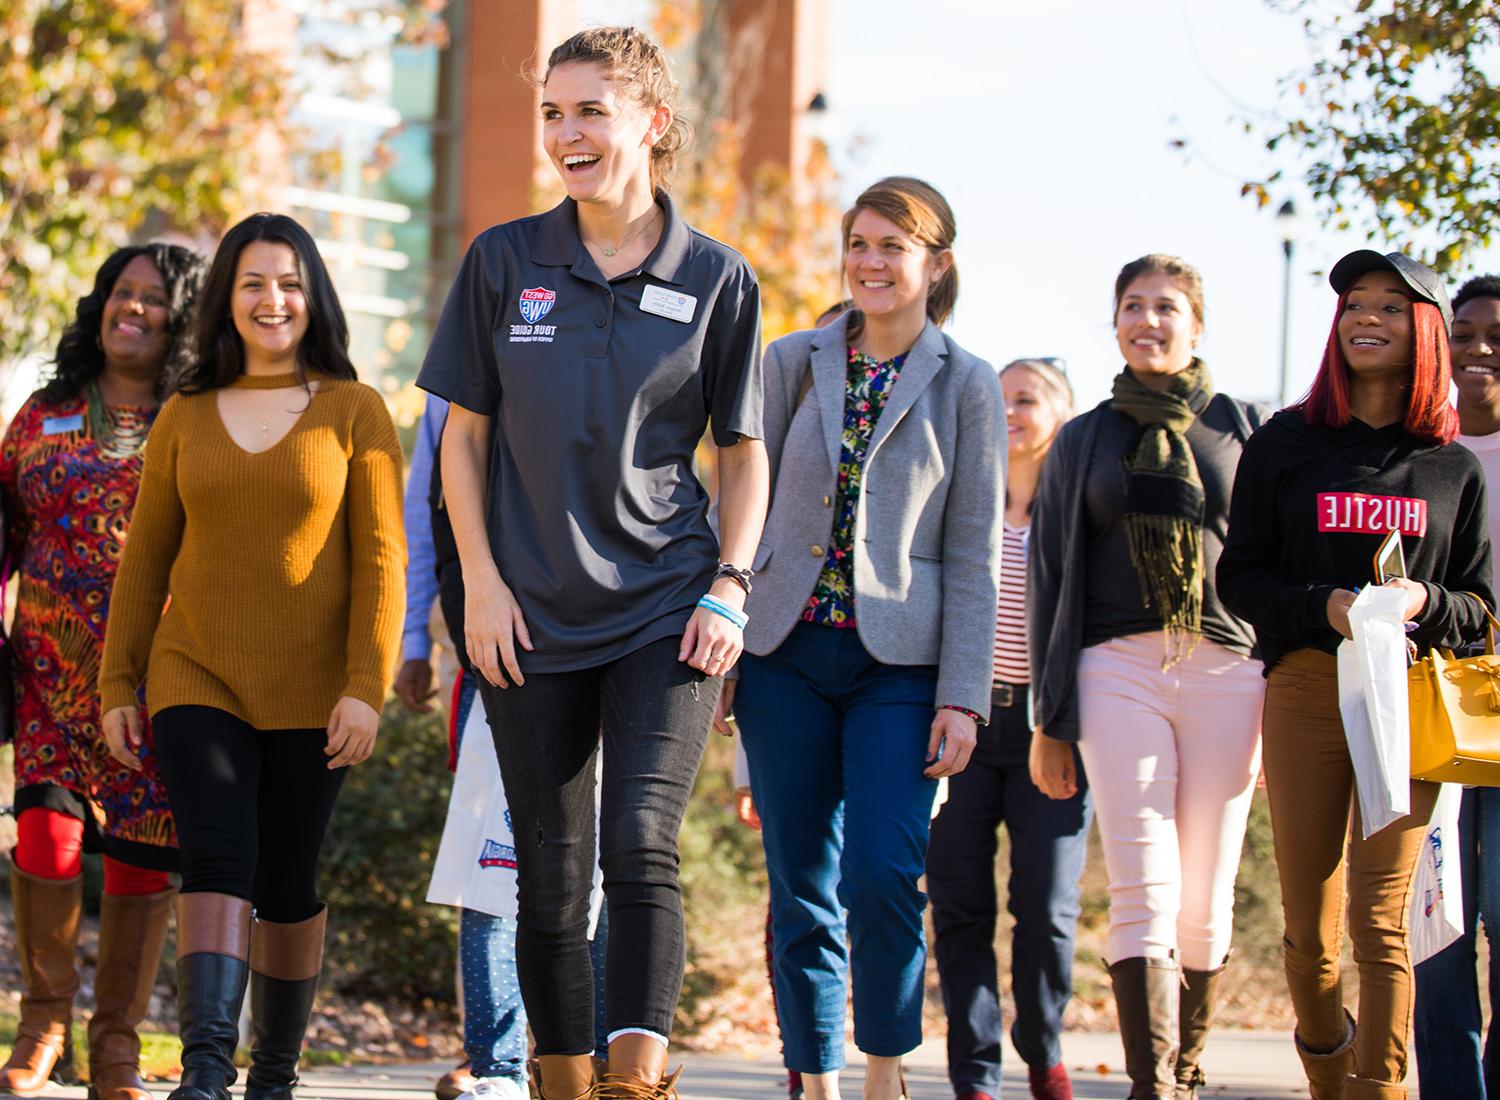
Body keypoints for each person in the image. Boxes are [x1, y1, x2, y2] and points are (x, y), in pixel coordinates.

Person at [417, 26, 767, 1100]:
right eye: (554, 113)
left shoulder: (716, 276)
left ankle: (634, 1084)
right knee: (549, 872)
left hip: (667, 604)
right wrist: (476, 581)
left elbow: (743, 450)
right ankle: (562, 1087)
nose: (568, 133)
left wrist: (731, 585)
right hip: (523, 612)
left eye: (590, 111)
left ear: (651, 124)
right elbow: (462, 440)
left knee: (640, 844)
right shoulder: (503, 261)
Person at [97, 212, 406, 1100]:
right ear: (227, 300)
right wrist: (120, 679)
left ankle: (273, 1070)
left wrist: (365, 688)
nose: (273, 301)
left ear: (314, 299)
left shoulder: (355, 411)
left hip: (315, 689)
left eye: (290, 284)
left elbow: (384, 561)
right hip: (196, 671)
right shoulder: (186, 416)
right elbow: (143, 558)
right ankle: (204, 1070)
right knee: (217, 856)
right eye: (254, 284)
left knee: (287, 879)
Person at [726, 176, 1003, 1100]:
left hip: (902, 667)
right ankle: (817, 1079)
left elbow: (972, 552)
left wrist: (964, 695)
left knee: (885, 873)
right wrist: (724, 623)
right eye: (859, 243)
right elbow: (740, 502)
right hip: (784, 655)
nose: (872, 262)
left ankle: (885, 1072)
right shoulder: (790, 361)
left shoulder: (967, 385)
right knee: (800, 883)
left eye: (894, 246)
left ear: (937, 264)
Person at [1218, 250, 1493, 1100]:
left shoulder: (1451, 466)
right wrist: (1325, 606)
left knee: (1383, 921)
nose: (1366, 318)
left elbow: (1481, 606)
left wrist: (1421, 600)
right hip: (1306, 689)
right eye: (1353, 305)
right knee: (1311, 925)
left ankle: (1377, 1091)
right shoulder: (1286, 444)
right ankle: (1326, 1065)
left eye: (1388, 306)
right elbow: (1240, 580)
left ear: (1425, 332)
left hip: (1406, 700)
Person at [1030, 255, 1267, 1100]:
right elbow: (1052, 577)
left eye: (1166, 307)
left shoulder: (1246, 428)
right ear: (1117, 322)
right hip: (1115, 666)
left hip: (1230, 669)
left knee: (1205, 892)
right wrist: (1049, 718)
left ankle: (1189, 1064)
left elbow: (1271, 559)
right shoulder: (1087, 437)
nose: (1148, 321)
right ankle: (1151, 1082)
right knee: (1142, 876)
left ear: (1196, 325)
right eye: (1132, 306)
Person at [0, 243, 205, 1100]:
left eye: (154, 298)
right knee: (46, 840)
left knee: (140, 861)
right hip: (45, 676)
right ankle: (44, 1019)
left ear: (183, 318)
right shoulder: (42, 413)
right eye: (121, 293)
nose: (133, 308)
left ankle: (115, 1038)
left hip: (153, 682)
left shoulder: (200, 418)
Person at [926, 357, 1090, 1100]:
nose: (1009, 411)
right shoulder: (961, 500)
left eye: (1025, 399)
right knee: (961, 907)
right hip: (962, 724)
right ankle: (976, 1072)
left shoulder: (1081, 509)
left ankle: (1044, 1050)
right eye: (998, 400)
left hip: (1048, 730)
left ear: (1062, 414)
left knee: (1047, 909)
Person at [1413, 275, 1500, 1100]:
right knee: (1435, 928)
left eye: (1496, 338)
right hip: (1430, 723)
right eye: (1462, 333)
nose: (1477, 350)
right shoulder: (1421, 458)